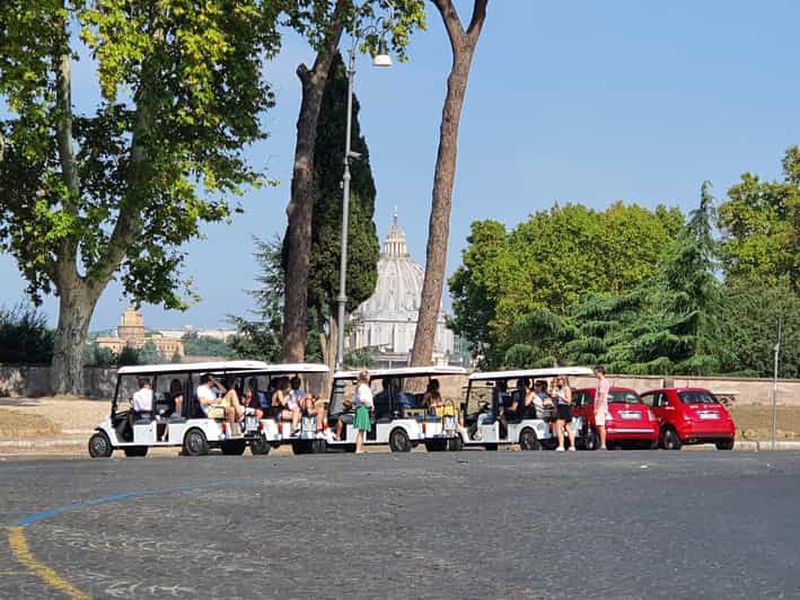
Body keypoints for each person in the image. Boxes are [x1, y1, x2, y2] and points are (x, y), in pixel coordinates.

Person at [553, 375, 576, 451]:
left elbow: (569, 401)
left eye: (559, 380)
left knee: (560, 427)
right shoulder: (558, 389)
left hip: (565, 408)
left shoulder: (566, 388)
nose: (558, 381)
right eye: (557, 380)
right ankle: (570, 445)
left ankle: (563, 445)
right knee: (566, 427)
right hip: (560, 407)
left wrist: (560, 395)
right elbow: (553, 396)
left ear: (564, 380)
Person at [353, 370, 373, 453]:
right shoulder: (362, 387)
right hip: (362, 408)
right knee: (361, 430)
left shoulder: (362, 386)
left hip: (363, 408)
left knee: (363, 430)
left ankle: (360, 448)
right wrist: (369, 404)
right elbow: (362, 398)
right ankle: (358, 449)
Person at [594, 366, 610, 450]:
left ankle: (603, 444)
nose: (595, 375)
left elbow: (602, 395)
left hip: (601, 407)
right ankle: (602, 443)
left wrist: (597, 407)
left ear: (600, 372)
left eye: (596, 373)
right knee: (600, 425)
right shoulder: (602, 382)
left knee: (601, 425)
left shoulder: (603, 382)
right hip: (601, 406)